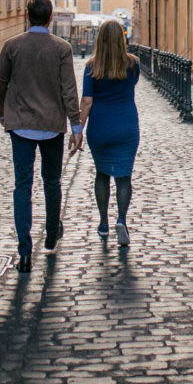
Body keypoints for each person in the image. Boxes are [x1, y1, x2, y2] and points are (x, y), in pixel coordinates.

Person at [0, 0, 83, 273]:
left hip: (20, 125)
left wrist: (2, 114)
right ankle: (52, 234)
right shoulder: (62, 49)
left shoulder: (12, 46)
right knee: (52, 181)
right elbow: (69, 90)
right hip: (51, 127)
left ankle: (24, 252)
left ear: (26, 15)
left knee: (23, 186)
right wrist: (76, 127)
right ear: (50, 18)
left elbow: (0, 84)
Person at [78, 19, 140, 246]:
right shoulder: (133, 64)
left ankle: (103, 223)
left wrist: (77, 130)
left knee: (102, 174)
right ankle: (122, 220)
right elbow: (129, 87)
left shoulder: (91, 67)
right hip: (126, 126)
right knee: (124, 176)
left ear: (99, 40)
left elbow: (86, 101)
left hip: (100, 128)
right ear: (122, 39)